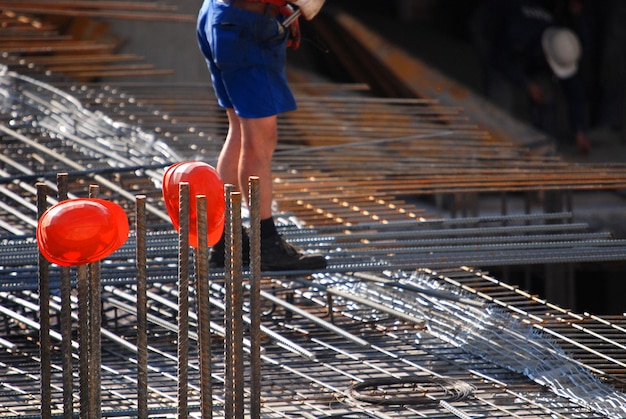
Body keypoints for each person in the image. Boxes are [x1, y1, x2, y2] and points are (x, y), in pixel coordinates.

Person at [196, 0, 327, 271]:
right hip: (244, 26)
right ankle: (266, 245)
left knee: (241, 133)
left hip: (220, 16)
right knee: (260, 141)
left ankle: (227, 241)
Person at [469, 0, 592, 155]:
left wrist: (580, 131)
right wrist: (526, 83)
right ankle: (496, 147)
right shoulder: (517, 33)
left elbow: (575, 92)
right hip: (489, 29)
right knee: (499, 91)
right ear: (547, 55)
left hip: (526, 41)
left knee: (545, 89)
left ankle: (544, 143)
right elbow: (500, 60)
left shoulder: (561, 44)